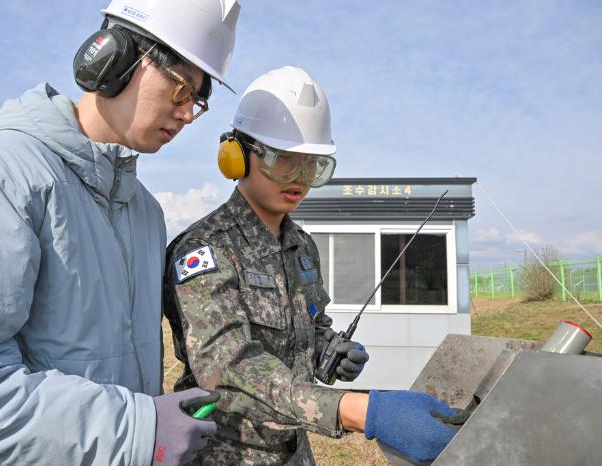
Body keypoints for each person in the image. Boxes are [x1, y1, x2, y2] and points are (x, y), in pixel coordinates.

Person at [0, 1, 240, 465]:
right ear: (113, 58)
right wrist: (135, 428)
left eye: (196, 102)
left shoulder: (144, 211)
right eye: (181, 90)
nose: (186, 115)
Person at [163, 66, 460, 465]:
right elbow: (231, 369)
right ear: (237, 155)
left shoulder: (302, 247)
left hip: (294, 451)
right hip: (224, 453)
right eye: (286, 161)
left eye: (313, 165)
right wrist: (362, 410)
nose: (300, 180)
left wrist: (330, 350)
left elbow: (310, 326)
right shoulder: (203, 250)